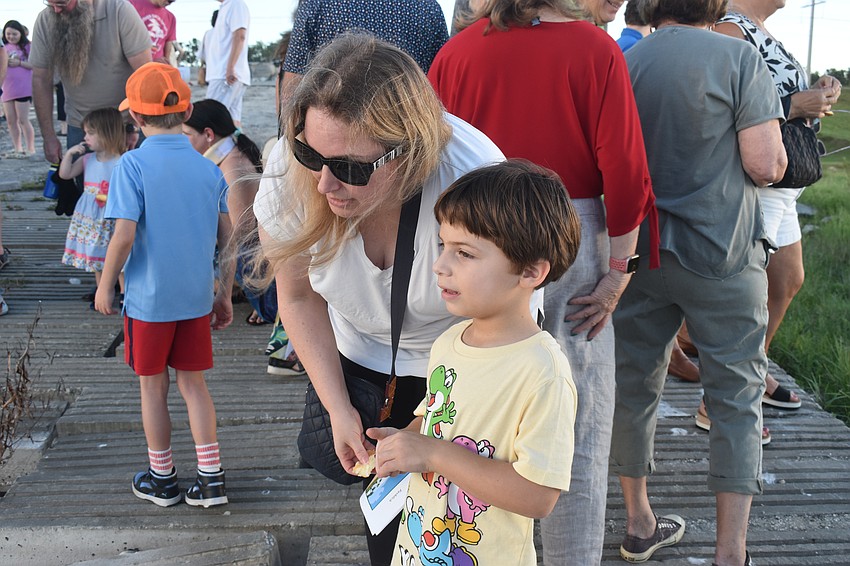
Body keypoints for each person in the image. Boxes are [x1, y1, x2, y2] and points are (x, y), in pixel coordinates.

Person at [253, 33, 505, 565]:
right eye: (309, 153)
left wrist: (427, 426)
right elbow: (296, 296)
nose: (323, 184)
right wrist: (337, 406)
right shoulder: (288, 173)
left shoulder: (472, 176)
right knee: (388, 528)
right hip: (356, 361)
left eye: (350, 168)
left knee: (460, 535)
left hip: (462, 365)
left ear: (408, 150)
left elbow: (508, 325)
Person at [427, 1, 658, 563]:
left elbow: (430, 156)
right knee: (574, 417)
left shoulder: (456, 54)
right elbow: (625, 171)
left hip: (471, 241)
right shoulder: (594, 49)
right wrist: (618, 271)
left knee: (472, 407)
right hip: (568, 233)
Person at [610, 0, 787, 564]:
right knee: (736, 396)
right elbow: (765, 165)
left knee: (633, 386)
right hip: (723, 255)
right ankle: (731, 552)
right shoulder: (738, 56)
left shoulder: (625, 61)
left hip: (641, 252)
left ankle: (639, 523)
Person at [368, 160, 580, 565]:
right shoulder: (448, 342)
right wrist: (400, 443)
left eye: (464, 253)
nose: (440, 265)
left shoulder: (542, 372)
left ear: (531, 272)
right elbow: (433, 421)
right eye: (442, 246)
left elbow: (538, 496)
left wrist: (431, 454)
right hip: (420, 548)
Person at [94, 62, 234, 508]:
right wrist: (224, 291)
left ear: (135, 117)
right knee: (195, 386)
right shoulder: (208, 169)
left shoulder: (131, 166)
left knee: (152, 388)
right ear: (186, 110)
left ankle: (162, 478)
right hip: (195, 298)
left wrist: (104, 286)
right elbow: (228, 237)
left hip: (149, 303)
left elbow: (124, 234)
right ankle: (210, 480)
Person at [713, 0, 841, 413]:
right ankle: (722, 400)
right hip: (759, 180)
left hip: (787, 184)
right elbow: (721, 111)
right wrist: (794, 106)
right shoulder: (729, 30)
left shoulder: (762, 31)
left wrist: (818, 94)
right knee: (743, 293)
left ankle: (754, 368)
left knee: (786, 280)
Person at [183, 99, 276, 327]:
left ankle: (252, 294)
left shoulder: (231, 169)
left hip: (252, 260)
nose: (182, 142)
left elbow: (238, 237)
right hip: (250, 253)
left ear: (208, 134)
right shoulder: (231, 151)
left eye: (186, 135)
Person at [30, 0, 151, 165]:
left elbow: (145, 74)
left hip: (123, 125)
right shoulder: (46, 20)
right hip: (81, 127)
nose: (56, 10)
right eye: (50, 3)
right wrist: (48, 136)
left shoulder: (119, 10)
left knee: (134, 188)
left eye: (61, 3)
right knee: (89, 190)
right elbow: (40, 79)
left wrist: (134, 126)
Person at [279, 0, 448, 104]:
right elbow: (442, 85)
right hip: (405, 140)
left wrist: (290, 144)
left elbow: (292, 88)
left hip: (332, 143)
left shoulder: (316, 5)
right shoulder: (429, 8)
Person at [59, 107, 126, 304]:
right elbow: (65, 174)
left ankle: (124, 292)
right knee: (96, 255)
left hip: (112, 214)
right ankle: (100, 289)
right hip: (91, 216)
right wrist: (69, 154)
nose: (85, 137)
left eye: (90, 133)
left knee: (118, 254)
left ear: (106, 133)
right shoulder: (87, 159)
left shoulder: (122, 161)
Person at [205, 0, 250, 127]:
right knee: (232, 122)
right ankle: (240, 147)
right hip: (226, 74)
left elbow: (240, 35)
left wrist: (230, 68)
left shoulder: (235, 4)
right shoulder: (227, 6)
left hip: (225, 75)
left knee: (211, 119)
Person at [2, 20, 36, 158]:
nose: (11, 36)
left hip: (23, 88)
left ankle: (30, 148)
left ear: (20, 33)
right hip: (6, 88)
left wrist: (19, 63)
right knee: (11, 121)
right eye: (8, 34)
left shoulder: (28, 46)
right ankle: (18, 148)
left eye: (14, 34)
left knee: (23, 119)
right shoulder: (3, 47)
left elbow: (35, 65)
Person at [197, 10, 218, 88]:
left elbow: (202, 54)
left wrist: (201, 67)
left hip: (210, 73)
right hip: (222, 73)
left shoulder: (208, 34)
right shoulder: (227, 33)